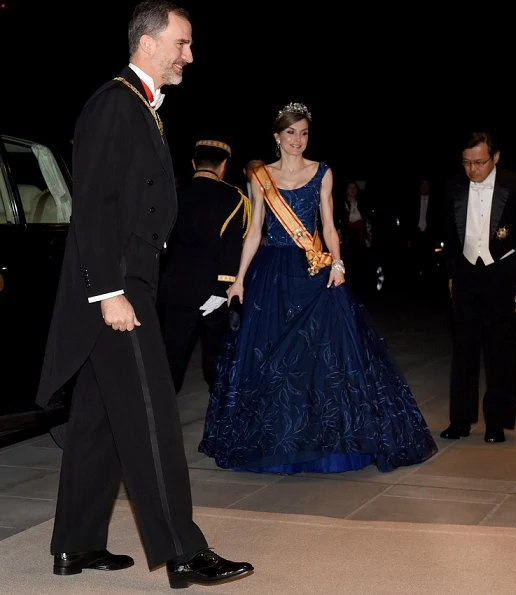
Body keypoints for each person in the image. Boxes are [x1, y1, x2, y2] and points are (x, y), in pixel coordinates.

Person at [34, 1, 253, 589]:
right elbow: (96, 207)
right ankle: (183, 552)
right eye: (182, 42)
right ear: (149, 42)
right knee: (154, 418)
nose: (190, 54)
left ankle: (74, 545)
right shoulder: (115, 103)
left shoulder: (141, 108)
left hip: (127, 283)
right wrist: (109, 292)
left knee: (98, 422)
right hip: (116, 287)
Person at [198, 102, 438, 474]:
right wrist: (239, 279)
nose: (298, 140)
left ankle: (327, 439)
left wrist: (337, 262)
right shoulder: (261, 175)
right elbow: (254, 231)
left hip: (313, 270)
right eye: (290, 132)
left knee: (324, 357)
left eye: (304, 132)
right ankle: (277, 440)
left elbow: (328, 225)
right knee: (272, 360)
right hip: (273, 273)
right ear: (277, 137)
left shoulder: (322, 172)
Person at [441, 130, 516, 444]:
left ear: (495, 158)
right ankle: (460, 420)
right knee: (464, 351)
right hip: (467, 275)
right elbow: (449, 238)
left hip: (503, 275)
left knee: (501, 352)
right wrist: (452, 273)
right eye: (467, 163)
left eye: (480, 163)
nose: (473, 170)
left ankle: (496, 423)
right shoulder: (453, 186)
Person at [157, 137, 251, 393]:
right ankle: (220, 418)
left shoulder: (173, 196)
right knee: (216, 359)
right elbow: (234, 248)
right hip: (214, 290)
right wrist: (225, 288)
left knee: (172, 357)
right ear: (223, 166)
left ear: (193, 163)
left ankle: (159, 421)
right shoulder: (236, 199)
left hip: (176, 288)